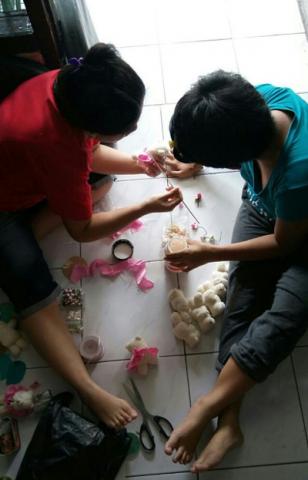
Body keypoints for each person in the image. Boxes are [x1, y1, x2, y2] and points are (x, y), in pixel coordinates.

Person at [0, 42, 186, 430]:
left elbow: (86, 153)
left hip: (22, 166)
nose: (133, 130)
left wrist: (142, 163)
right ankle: (87, 387)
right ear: (89, 126)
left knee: (100, 182)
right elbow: (80, 230)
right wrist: (145, 207)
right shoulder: (55, 147)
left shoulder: (69, 82)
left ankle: (18, 241)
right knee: (30, 283)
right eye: (125, 129)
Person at [164, 70, 308, 472]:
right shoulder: (254, 104)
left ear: (236, 154)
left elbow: (285, 245)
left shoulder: (299, 171)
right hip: (270, 210)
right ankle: (229, 423)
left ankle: (209, 403)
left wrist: (211, 252)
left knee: (284, 316)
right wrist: (193, 160)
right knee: (241, 295)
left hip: (297, 231)